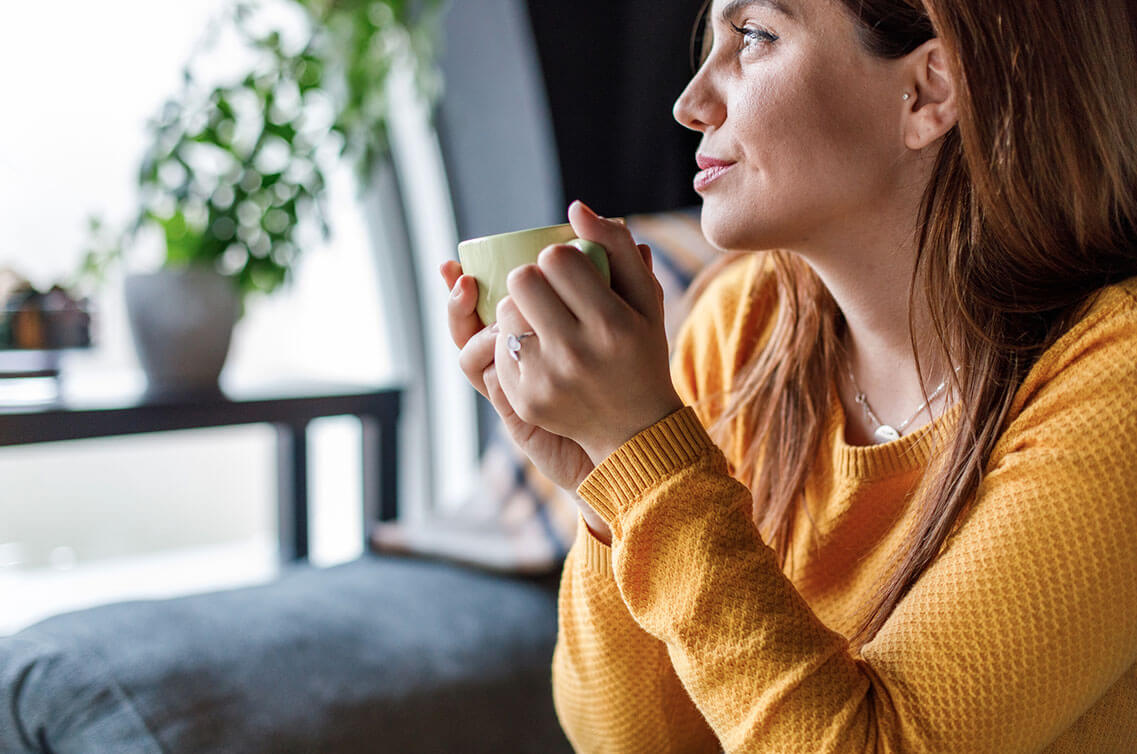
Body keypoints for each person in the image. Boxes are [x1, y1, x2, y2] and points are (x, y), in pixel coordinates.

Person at [442, 0, 1137, 750]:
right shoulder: (743, 325)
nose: (690, 104)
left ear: (931, 89)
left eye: (753, 37)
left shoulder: (1113, 388)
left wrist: (645, 456)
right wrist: (606, 482)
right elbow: (629, 741)